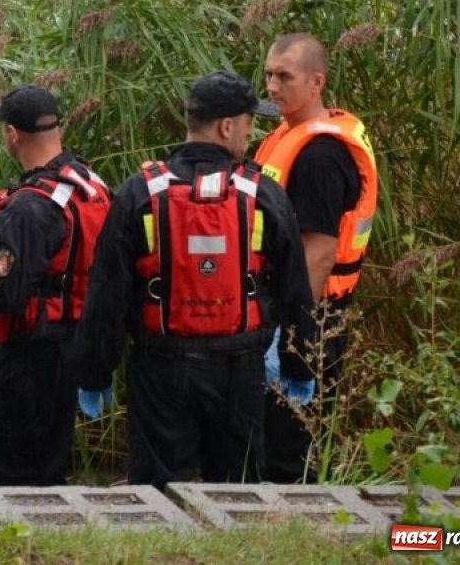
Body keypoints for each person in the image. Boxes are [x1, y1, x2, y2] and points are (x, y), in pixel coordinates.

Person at [75, 69, 318, 488]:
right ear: (227, 126)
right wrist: (299, 366)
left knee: (158, 492)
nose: (250, 133)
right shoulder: (264, 194)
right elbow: (295, 290)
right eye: (248, 123)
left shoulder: (139, 193)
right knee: (238, 490)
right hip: (240, 370)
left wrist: (94, 373)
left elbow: (107, 294)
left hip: (160, 370)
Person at [0, 85, 111, 486]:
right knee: (47, 468)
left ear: (12, 134)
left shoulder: (30, 207)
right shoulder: (89, 184)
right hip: (69, 350)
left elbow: (4, 291)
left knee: (1, 476)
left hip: (22, 363)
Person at [254, 33, 379, 483]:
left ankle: (293, 517)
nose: (272, 87)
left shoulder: (321, 156)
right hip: (287, 309)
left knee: (289, 446)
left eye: (284, 77)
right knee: (269, 439)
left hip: (312, 317)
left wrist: (292, 334)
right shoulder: (286, 135)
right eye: (268, 75)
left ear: (316, 82)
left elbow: (320, 255)